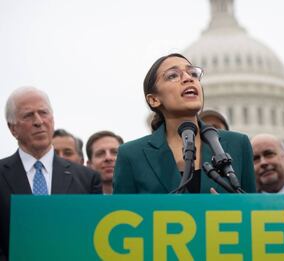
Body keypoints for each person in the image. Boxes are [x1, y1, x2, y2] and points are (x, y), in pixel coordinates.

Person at [113, 53, 255, 194]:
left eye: (193, 73)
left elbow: (253, 210)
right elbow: (121, 214)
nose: (188, 78)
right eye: (173, 75)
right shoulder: (131, 155)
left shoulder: (238, 144)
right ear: (154, 100)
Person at [0, 87, 102, 259]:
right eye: (28, 115)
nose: (39, 121)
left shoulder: (87, 179)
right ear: (12, 128)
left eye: (43, 113)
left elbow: (95, 239)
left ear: (52, 120)